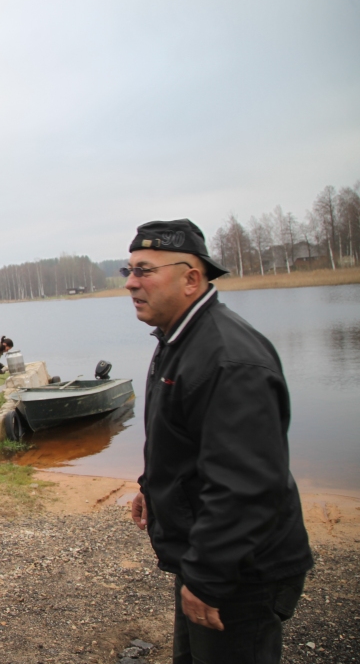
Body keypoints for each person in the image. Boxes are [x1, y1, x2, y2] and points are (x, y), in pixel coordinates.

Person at [124, 219, 312, 664]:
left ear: (192, 278)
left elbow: (246, 485)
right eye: (127, 270)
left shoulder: (228, 359)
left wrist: (208, 578)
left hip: (241, 570)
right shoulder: (180, 337)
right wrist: (153, 486)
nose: (131, 283)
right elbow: (187, 440)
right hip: (209, 554)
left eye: (145, 270)